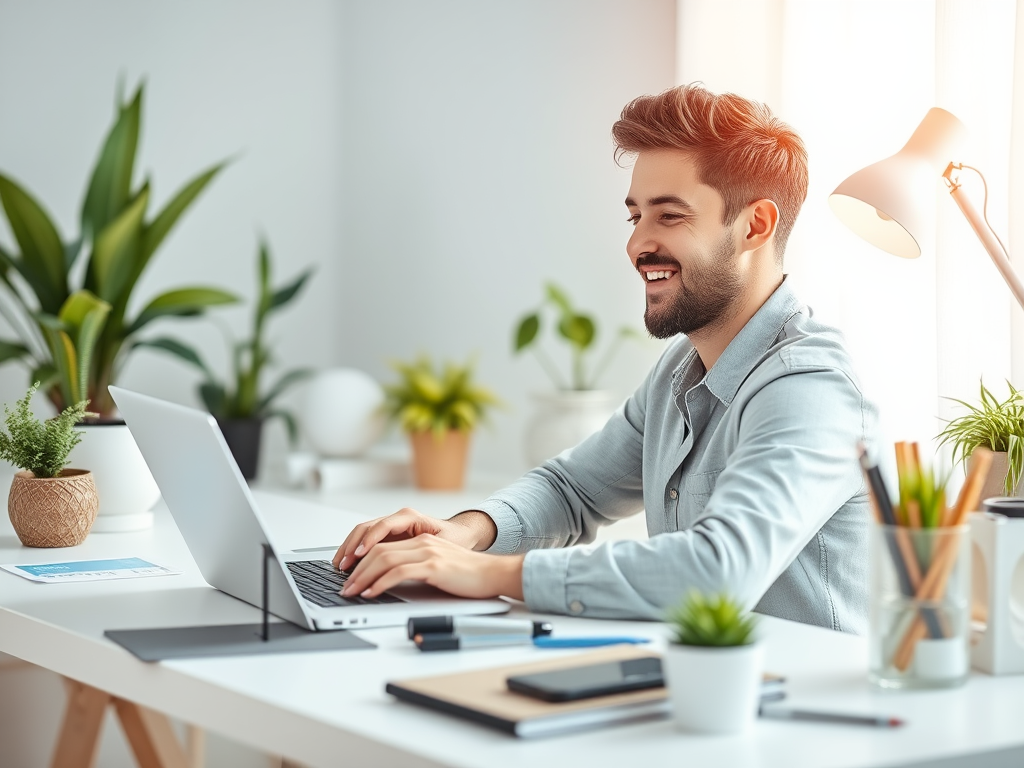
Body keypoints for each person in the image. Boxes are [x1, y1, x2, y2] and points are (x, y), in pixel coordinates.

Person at [332, 84, 878, 634]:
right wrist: (465, 533)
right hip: (705, 690)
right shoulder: (680, 371)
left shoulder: (809, 387)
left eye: (669, 216)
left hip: (802, 708)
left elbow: (718, 570)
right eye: (634, 216)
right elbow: (574, 491)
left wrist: (488, 574)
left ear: (754, 226)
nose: (636, 244)